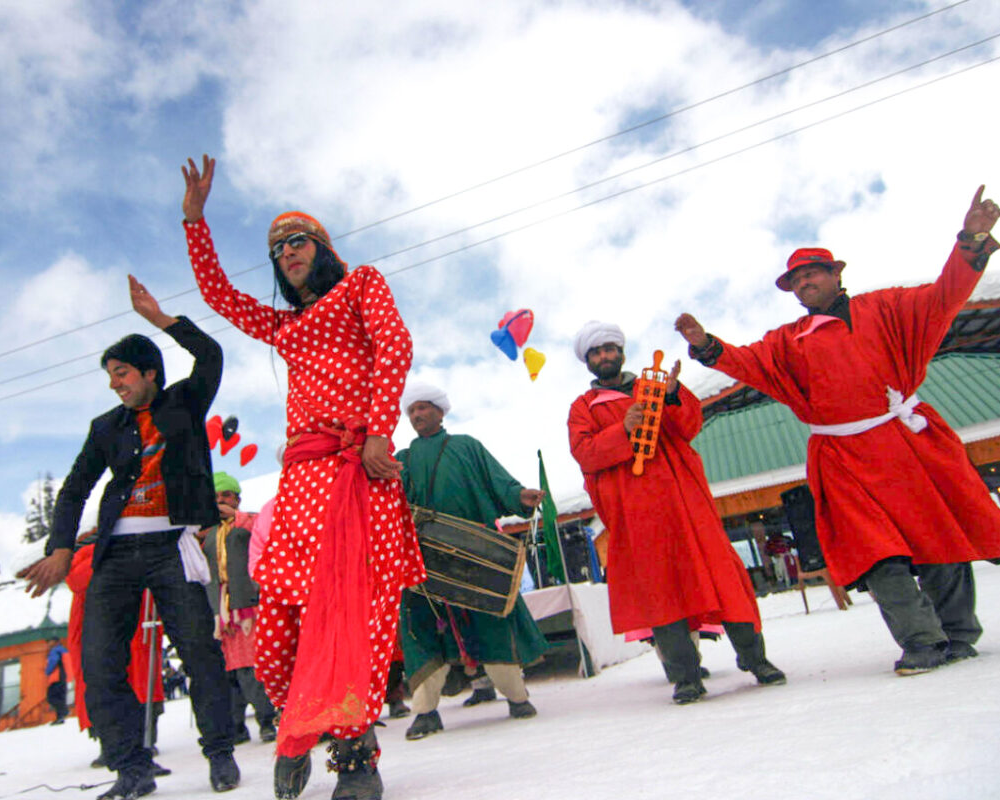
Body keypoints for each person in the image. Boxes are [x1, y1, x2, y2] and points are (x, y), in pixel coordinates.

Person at [675, 186, 1000, 675]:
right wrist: (707, 346)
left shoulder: (887, 308)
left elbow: (944, 297)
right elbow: (747, 363)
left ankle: (957, 633)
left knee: (941, 538)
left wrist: (971, 241)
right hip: (843, 458)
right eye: (796, 280)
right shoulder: (787, 343)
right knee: (877, 555)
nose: (804, 283)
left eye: (812, 273)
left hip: (905, 440)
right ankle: (922, 640)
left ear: (835, 274)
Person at [182, 154, 424, 800]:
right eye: (275, 248)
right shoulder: (285, 327)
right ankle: (296, 735)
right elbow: (220, 299)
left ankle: (356, 761)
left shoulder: (359, 287)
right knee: (285, 618)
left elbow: (394, 346)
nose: (285, 252)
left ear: (322, 248)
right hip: (299, 486)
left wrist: (377, 431)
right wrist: (194, 223)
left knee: (350, 617)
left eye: (297, 240)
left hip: (355, 474)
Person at [22, 275, 239, 799]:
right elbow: (74, 488)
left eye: (121, 373)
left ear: (148, 372)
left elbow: (209, 353)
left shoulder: (185, 403)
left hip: (171, 547)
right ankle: (131, 768)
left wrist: (160, 320)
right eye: (110, 377)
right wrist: (60, 548)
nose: (115, 384)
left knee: (199, 652)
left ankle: (220, 753)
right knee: (98, 661)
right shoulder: (105, 428)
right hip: (116, 554)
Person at [568, 321, 785, 704]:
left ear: (620, 352)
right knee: (661, 591)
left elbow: (689, 426)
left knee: (722, 578)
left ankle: (756, 659)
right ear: (588, 361)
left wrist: (671, 396)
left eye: (608, 349)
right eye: (595, 352)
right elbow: (584, 452)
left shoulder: (653, 385)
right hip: (637, 514)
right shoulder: (582, 408)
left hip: (685, 503)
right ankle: (685, 677)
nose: (603, 356)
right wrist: (623, 429)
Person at [394, 382, 549, 739]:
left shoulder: (467, 447)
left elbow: (500, 484)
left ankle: (516, 697)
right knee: (420, 628)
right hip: (421, 558)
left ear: (441, 411)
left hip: (473, 554)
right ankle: (425, 712)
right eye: (412, 410)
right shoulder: (400, 461)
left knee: (491, 621)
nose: (417, 415)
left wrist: (520, 496)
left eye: (424, 407)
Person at [63, 532, 169, 775]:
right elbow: (78, 580)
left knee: (138, 686)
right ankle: (112, 745)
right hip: (100, 632)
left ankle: (144, 742)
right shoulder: (84, 555)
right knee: (105, 687)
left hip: (133, 628)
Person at [200, 471, 277, 744]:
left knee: (253, 667)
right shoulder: (206, 534)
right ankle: (235, 727)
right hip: (221, 612)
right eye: (216, 496)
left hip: (248, 608)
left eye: (226, 495)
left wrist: (236, 517)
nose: (221, 501)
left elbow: (261, 537)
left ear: (237, 498)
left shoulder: (249, 522)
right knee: (228, 671)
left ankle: (268, 721)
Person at [44, 637, 70, 724]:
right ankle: (60, 718)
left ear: (55, 642)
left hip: (56, 678)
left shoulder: (55, 650)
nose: (48, 644)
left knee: (51, 697)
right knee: (61, 698)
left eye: (49, 641)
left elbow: (53, 661)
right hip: (64, 678)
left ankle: (64, 711)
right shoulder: (64, 650)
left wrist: (47, 671)